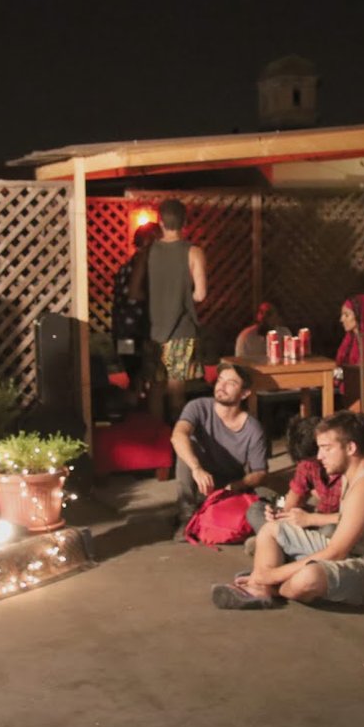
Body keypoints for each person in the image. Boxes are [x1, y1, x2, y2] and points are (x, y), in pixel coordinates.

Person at [213, 412, 364, 609]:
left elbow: (336, 552)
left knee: (309, 577)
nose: (319, 456)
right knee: (270, 529)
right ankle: (262, 587)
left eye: (326, 448)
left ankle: (268, 587)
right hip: (350, 555)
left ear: (350, 448)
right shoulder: (352, 473)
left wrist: (270, 576)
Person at [170, 363, 268, 530]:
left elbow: (260, 472)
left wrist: (238, 485)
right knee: (185, 447)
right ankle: (186, 517)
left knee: (264, 503)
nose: (221, 386)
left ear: (245, 393)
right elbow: (177, 436)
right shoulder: (198, 407)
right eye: (220, 380)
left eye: (231, 383)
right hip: (198, 478)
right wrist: (196, 468)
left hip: (228, 485)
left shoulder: (253, 428)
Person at [146, 198, 208, 421]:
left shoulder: (148, 252)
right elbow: (200, 294)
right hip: (181, 329)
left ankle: (156, 435)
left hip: (152, 331)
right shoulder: (193, 252)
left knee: (155, 388)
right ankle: (178, 435)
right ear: (185, 222)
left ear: (160, 222)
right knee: (177, 393)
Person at [245, 415, 342, 536]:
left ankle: (275, 540)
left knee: (331, 531)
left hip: (334, 522)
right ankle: (277, 538)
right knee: (256, 509)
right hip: (314, 516)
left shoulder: (348, 468)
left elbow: (353, 518)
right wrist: (276, 510)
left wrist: (310, 519)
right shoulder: (306, 464)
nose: (319, 460)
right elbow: (292, 497)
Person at [110, 220, 161, 396]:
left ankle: (135, 398)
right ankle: (139, 400)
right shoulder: (143, 259)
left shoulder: (127, 265)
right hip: (136, 329)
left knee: (132, 370)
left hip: (122, 329)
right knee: (140, 371)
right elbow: (134, 294)